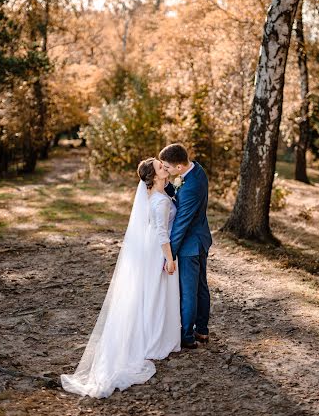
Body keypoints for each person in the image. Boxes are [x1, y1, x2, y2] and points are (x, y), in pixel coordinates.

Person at [60, 158, 180, 398]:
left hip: (148, 250)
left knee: (150, 293)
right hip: (157, 250)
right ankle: (155, 341)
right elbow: (161, 232)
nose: (164, 168)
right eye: (160, 167)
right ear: (154, 177)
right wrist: (169, 258)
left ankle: (153, 336)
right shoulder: (159, 202)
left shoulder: (156, 196)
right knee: (155, 294)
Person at [159, 143, 212, 349]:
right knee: (200, 287)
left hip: (191, 245)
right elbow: (179, 196)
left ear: (179, 167)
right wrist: (168, 186)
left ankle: (188, 336)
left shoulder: (190, 188)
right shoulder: (196, 170)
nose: (166, 171)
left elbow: (181, 224)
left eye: (168, 167)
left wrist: (168, 255)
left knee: (190, 291)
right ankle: (203, 330)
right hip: (201, 239)